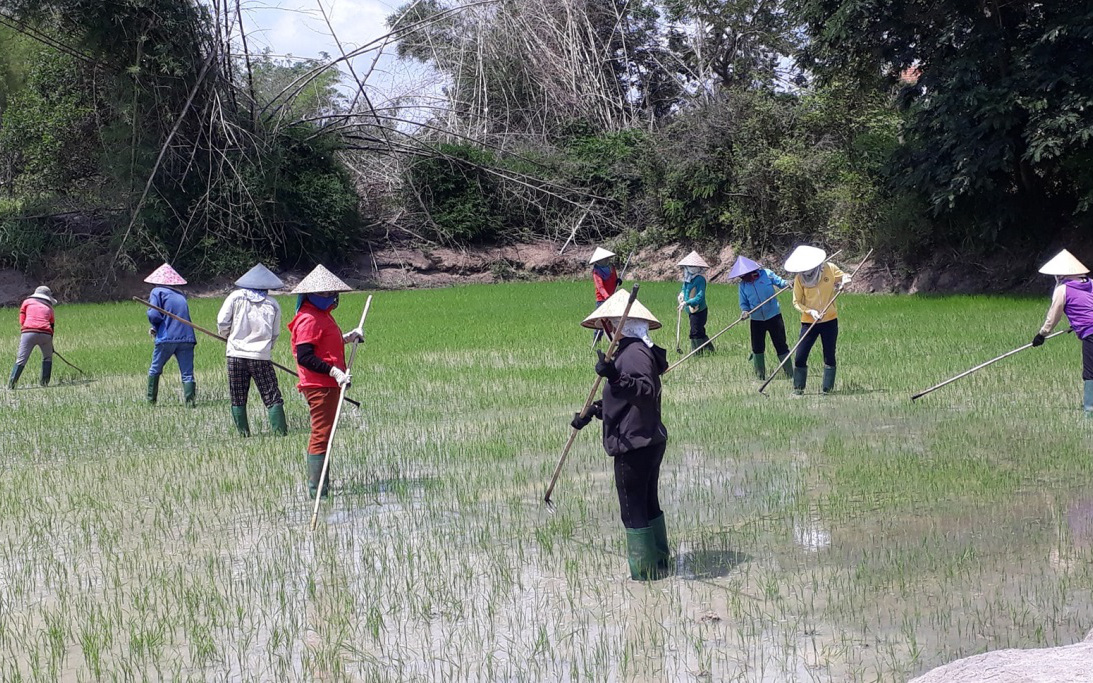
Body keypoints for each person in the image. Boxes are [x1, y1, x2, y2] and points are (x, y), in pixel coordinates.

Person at [570, 288, 671, 580]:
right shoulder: (633, 350)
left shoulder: (634, 352)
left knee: (632, 510)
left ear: (613, 325)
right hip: (647, 438)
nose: (605, 329)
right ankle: (660, 563)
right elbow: (624, 400)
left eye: (607, 325)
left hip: (635, 445)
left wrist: (613, 375)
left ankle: (645, 576)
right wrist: (594, 412)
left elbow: (644, 393)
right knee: (648, 503)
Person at [287, 265, 364, 498]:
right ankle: (318, 491)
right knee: (321, 434)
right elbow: (305, 356)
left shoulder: (322, 316)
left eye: (332, 293)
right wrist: (334, 372)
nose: (330, 297)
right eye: (324, 294)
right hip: (319, 385)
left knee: (326, 433)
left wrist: (347, 338)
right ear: (310, 295)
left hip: (328, 384)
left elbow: (324, 345)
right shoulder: (308, 318)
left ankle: (322, 486)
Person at [217, 263, 288, 437]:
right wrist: (266, 349)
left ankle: (244, 435)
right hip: (260, 356)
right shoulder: (272, 304)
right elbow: (275, 333)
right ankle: (280, 434)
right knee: (271, 394)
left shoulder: (235, 297)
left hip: (235, 354)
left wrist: (228, 337)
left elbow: (222, 322)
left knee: (238, 395)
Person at [1031, 249, 1093, 416]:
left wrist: (1041, 334)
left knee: (1090, 372)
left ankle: (1090, 409)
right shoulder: (1092, 283)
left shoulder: (1062, 289)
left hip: (1090, 332)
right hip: (1088, 328)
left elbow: (1054, 316)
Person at [784, 246, 850, 395]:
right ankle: (798, 389)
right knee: (800, 355)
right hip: (809, 322)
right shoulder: (799, 279)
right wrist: (810, 311)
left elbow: (844, 276)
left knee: (829, 354)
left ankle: (827, 390)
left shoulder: (829, 268)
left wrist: (845, 280)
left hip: (829, 321)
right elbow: (796, 302)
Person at [729, 256, 792, 380]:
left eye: (745, 275)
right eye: (741, 277)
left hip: (774, 316)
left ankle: (790, 373)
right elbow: (744, 303)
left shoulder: (766, 274)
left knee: (780, 344)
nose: (743, 278)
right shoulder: (743, 286)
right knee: (757, 347)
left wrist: (787, 283)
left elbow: (780, 282)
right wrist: (745, 312)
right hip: (756, 320)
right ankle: (760, 376)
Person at [144, 263, 198, 406]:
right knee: (187, 373)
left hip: (167, 337)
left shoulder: (157, 292)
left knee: (155, 369)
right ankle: (190, 403)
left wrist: (155, 326)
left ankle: (151, 402)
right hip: (187, 337)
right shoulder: (180, 295)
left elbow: (154, 314)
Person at [9, 286, 57, 389]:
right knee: (47, 357)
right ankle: (44, 383)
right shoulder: (50, 308)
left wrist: (26, 331)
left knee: (21, 359)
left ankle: (11, 385)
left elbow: (22, 320)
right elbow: (52, 327)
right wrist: (50, 345)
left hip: (28, 332)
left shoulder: (26, 302)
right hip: (46, 334)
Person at [677, 251, 712, 354]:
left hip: (699, 310)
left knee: (695, 332)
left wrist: (687, 303)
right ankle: (709, 350)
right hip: (691, 310)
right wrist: (681, 296)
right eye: (690, 266)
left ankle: (697, 353)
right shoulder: (687, 279)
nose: (691, 268)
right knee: (700, 331)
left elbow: (699, 297)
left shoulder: (700, 279)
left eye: (694, 266)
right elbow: (684, 289)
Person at [590, 247, 621, 346]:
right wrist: (607, 297)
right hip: (602, 300)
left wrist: (618, 281)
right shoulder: (596, 272)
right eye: (605, 259)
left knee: (615, 321)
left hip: (613, 297)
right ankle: (596, 342)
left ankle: (615, 341)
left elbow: (614, 280)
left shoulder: (611, 267)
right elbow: (600, 287)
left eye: (608, 258)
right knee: (602, 322)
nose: (607, 260)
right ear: (599, 261)